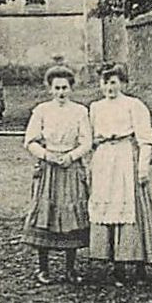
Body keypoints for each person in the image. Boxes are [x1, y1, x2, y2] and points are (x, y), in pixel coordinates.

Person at [86, 63, 152, 282]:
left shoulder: (134, 105)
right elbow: (89, 138)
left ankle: (139, 265)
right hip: (103, 160)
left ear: (122, 82)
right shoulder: (95, 108)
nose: (109, 87)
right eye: (105, 82)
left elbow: (146, 139)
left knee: (132, 210)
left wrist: (143, 167)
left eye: (113, 82)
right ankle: (115, 265)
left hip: (125, 157)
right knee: (106, 206)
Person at [22, 66, 92, 285]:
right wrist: (47, 155)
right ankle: (43, 268)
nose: (61, 92)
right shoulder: (41, 110)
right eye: (57, 88)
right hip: (49, 168)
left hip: (71, 166)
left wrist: (72, 156)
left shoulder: (80, 111)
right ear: (50, 89)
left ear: (71, 88)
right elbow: (30, 141)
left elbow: (87, 141)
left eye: (65, 88)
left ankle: (70, 269)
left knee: (72, 214)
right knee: (46, 213)